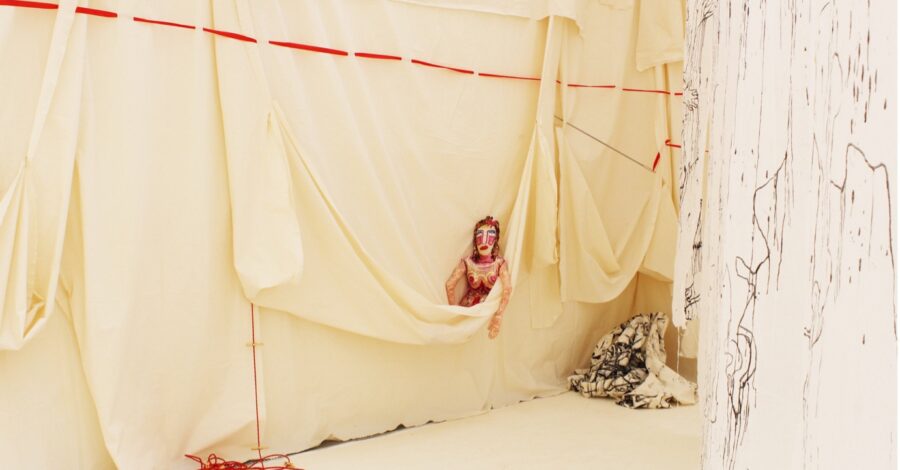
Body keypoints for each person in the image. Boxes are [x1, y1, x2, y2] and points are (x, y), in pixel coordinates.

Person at [445, 216, 512, 339]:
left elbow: (507, 289)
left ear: (496, 240)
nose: (484, 241)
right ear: (475, 239)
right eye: (480, 235)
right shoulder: (467, 262)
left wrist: (498, 316)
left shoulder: (499, 264)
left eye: (490, 235)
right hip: (467, 314)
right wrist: (455, 312)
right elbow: (449, 285)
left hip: (487, 317)